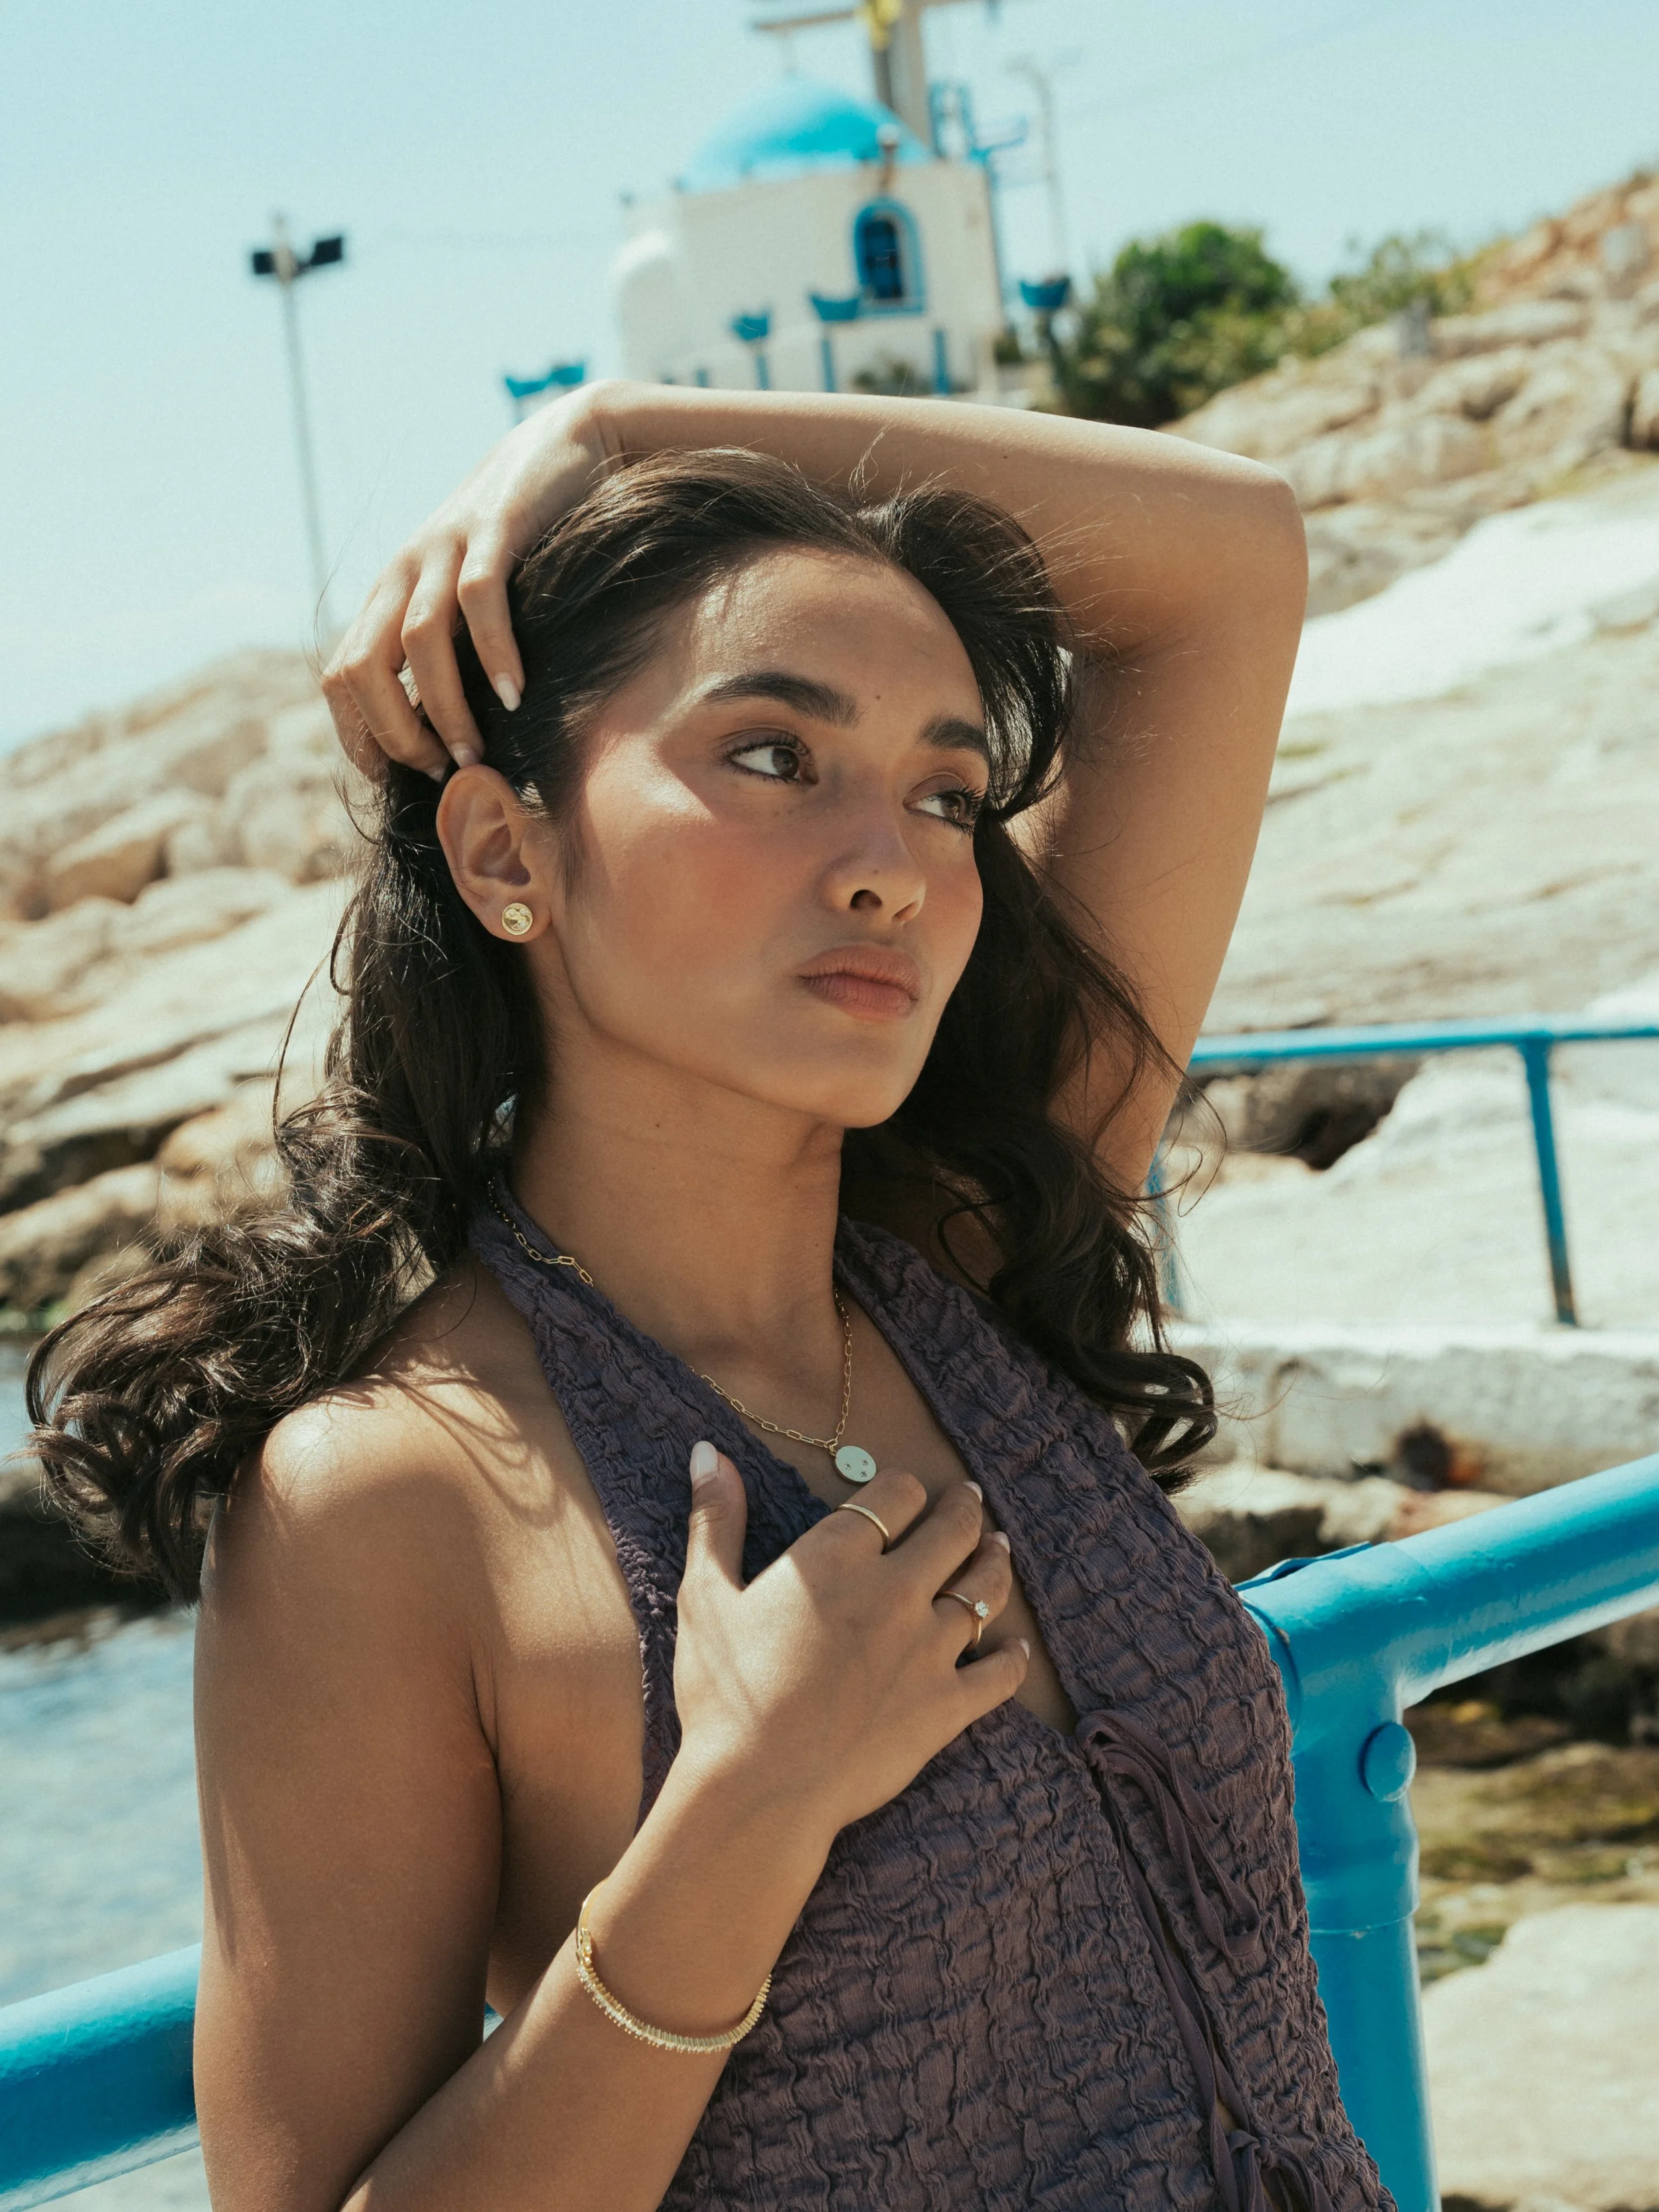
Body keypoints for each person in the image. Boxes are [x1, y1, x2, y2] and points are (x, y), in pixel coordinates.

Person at [31, 384, 1388, 2212]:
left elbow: (1228, 561)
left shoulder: (960, 1255)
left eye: (943, 789)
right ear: (509, 853)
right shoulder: (400, 1494)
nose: (887, 864)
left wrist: (607, 431)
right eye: (767, 753)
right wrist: (741, 1814)